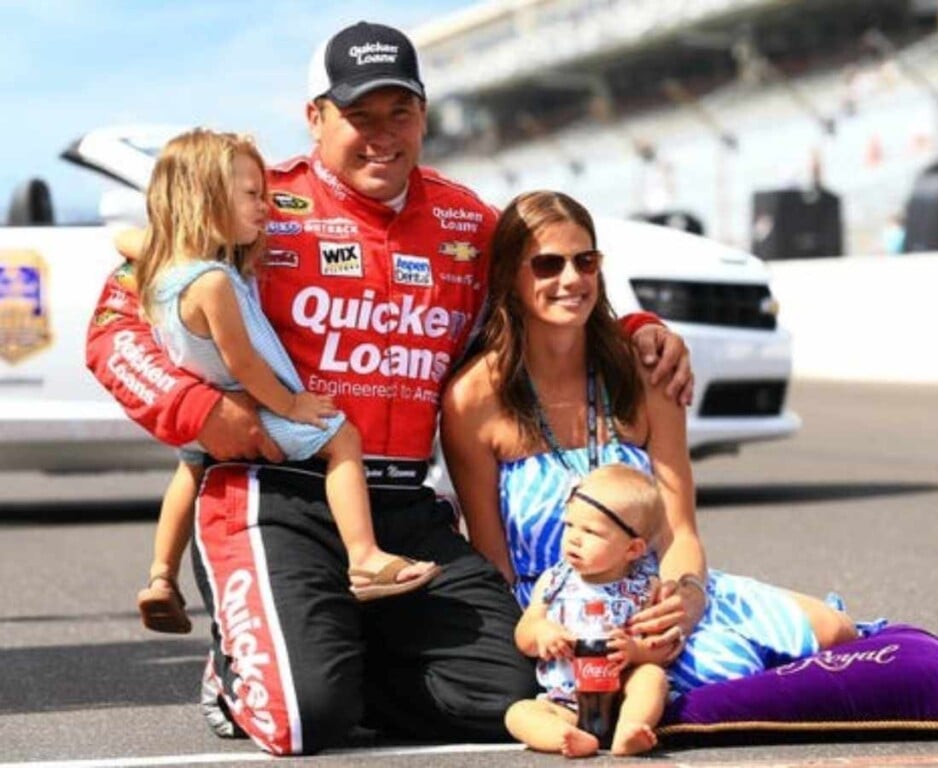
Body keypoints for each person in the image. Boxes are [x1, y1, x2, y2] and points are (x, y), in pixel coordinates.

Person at [84, 22, 692, 755]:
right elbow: (117, 319)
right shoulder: (255, 203)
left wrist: (642, 326)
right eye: (358, 116)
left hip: (402, 503)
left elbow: (558, 282)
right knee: (308, 718)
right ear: (315, 118)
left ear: (424, 115)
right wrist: (196, 409)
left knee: (519, 691)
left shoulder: (468, 222)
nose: (382, 136)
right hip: (271, 491)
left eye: (398, 113)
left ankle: (329, 649)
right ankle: (253, 669)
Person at [441, 189, 869, 709]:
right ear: (510, 275)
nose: (572, 280)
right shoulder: (472, 401)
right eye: (548, 264)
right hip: (562, 612)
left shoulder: (646, 373)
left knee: (835, 631)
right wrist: (541, 637)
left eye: (586, 261)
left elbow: (681, 530)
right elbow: (495, 563)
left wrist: (686, 598)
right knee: (724, 668)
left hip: (656, 591)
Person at [132, 129, 440, 635]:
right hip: (254, 408)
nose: (264, 207)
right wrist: (291, 404)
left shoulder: (164, 272)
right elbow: (246, 363)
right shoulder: (212, 283)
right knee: (343, 440)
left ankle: (161, 576)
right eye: (251, 195)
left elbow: (133, 241)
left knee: (188, 474)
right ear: (205, 198)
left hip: (203, 413)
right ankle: (363, 555)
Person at [506, 464, 668, 758]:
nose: (574, 538)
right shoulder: (555, 580)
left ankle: (630, 729)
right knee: (519, 713)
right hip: (566, 700)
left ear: (632, 549)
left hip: (619, 696)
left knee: (652, 676)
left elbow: (663, 647)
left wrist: (636, 650)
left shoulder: (644, 587)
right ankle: (565, 736)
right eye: (569, 525)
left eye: (590, 531)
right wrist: (542, 633)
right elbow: (524, 632)